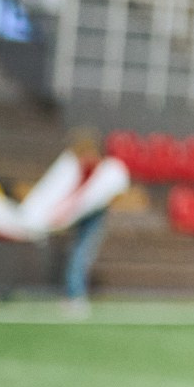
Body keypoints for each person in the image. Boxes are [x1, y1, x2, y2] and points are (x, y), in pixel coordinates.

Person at [61, 130, 114, 316]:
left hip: (94, 218)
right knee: (78, 254)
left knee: (80, 255)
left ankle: (76, 295)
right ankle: (74, 294)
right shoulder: (85, 169)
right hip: (85, 218)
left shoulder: (99, 169)